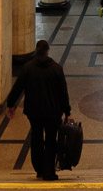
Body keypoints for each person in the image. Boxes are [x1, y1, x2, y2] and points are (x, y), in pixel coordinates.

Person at [5, 40, 71, 181]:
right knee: (51, 140)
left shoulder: (27, 68)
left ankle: (39, 169)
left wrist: (10, 104)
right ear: (48, 51)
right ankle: (49, 172)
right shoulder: (56, 69)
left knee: (36, 139)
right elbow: (63, 93)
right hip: (53, 112)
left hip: (34, 112)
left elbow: (17, 88)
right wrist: (68, 112)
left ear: (36, 50)